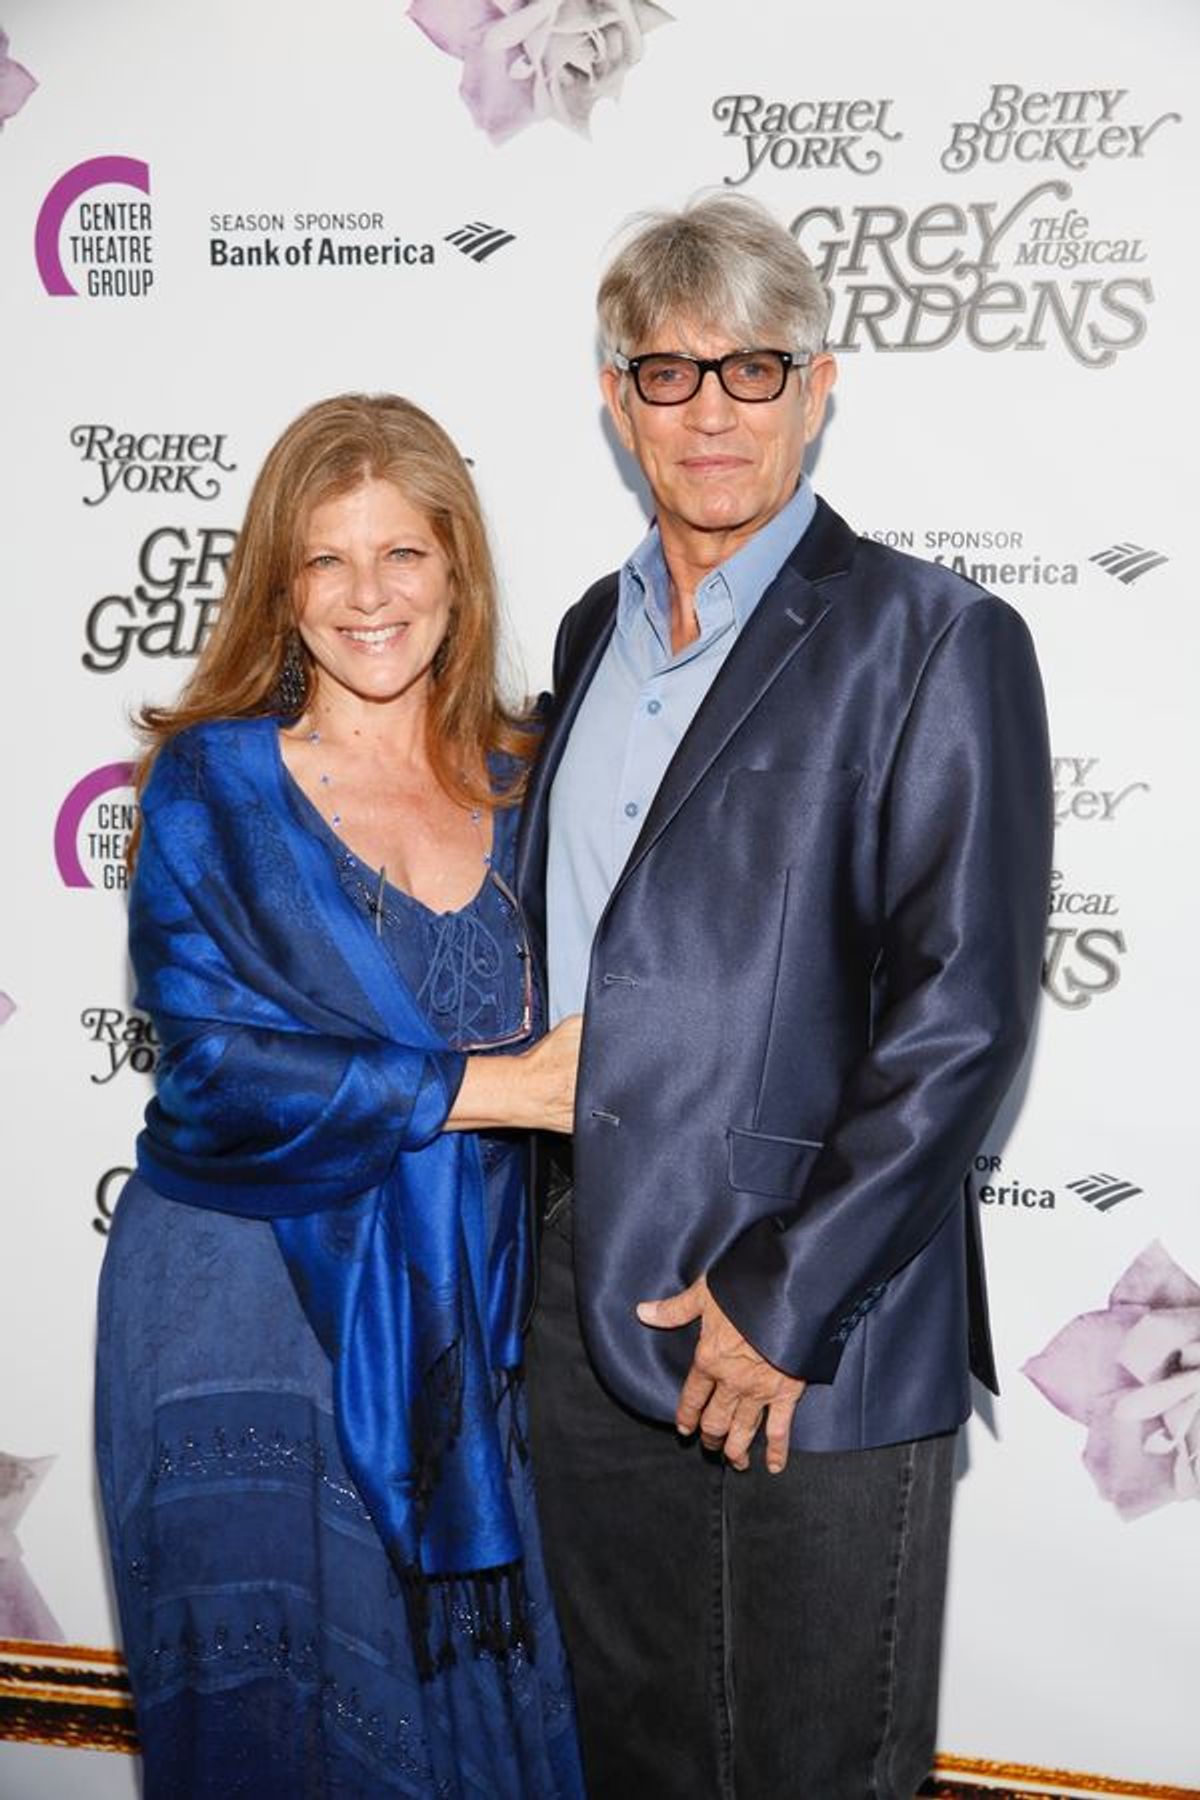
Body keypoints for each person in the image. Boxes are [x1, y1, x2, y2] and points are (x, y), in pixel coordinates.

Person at [517, 196, 1053, 1798]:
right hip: (574, 1303)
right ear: (617, 399)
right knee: (635, 1759)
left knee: (810, 1772)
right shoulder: (588, 631)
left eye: (755, 369)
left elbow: (961, 1017)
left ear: (820, 388)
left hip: (811, 1326)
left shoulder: (936, 640)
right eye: (668, 373)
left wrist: (783, 1295)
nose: (712, 411)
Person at [95, 394, 586, 1799]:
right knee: (282, 1727)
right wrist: (491, 1089)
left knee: (472, 1724)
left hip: (464, 1341)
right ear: (281, 586)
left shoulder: (530, 781)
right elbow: (212, 1073)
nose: (369, 598)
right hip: (238, 1314)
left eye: (403, 556)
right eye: (327, 562)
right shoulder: (213, 785)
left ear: (457, 572)